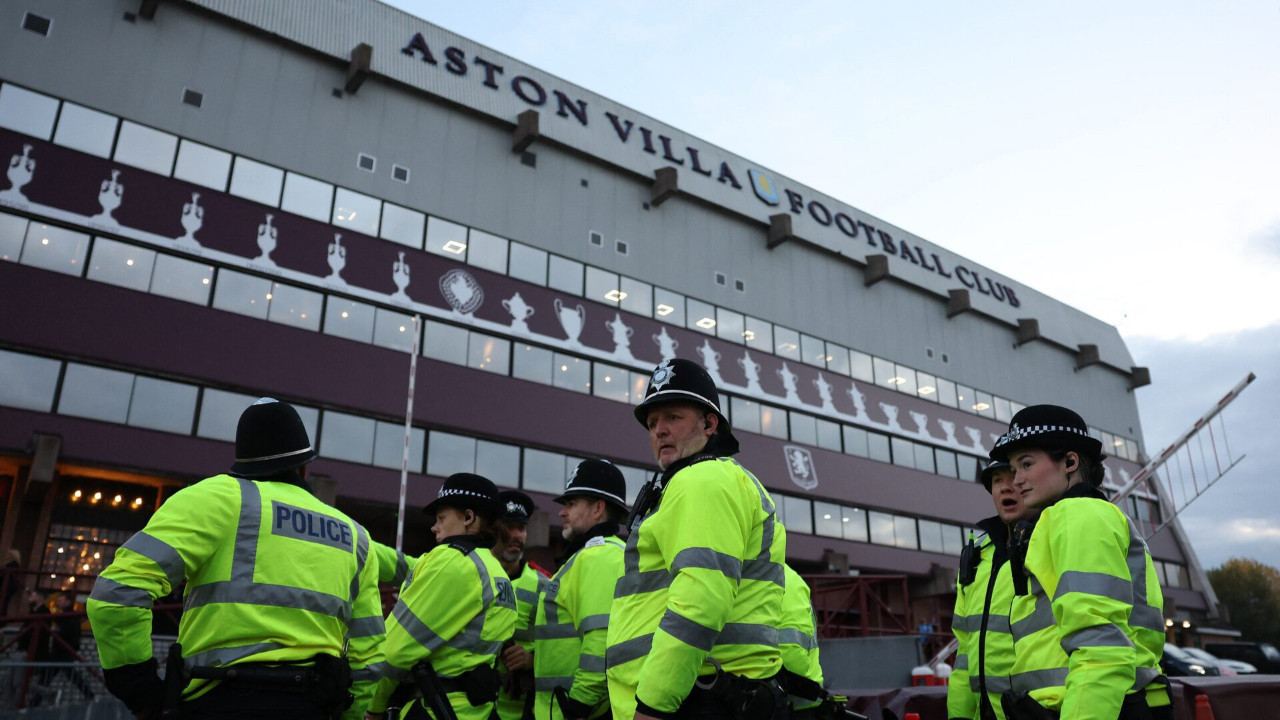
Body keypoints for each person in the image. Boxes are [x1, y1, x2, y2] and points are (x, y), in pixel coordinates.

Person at [86, 397, 386, 720]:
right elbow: (369, 657)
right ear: (304, 466)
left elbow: (116, 595)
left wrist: (144, 695)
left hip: (215, 701)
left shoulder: (215, 499)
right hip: (316, 706)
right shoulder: (356, 537)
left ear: (242, 460)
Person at [606, 358, 786, 720]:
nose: (659, 431)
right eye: (653, 423)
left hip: (691, 700)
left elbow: (700, 601)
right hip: (709, 694)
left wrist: (653, 704)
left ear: (709, 423)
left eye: (672, 417)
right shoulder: (713, 480)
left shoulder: (701, 480)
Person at [991, 405, 1170, 720]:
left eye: (1026, 464)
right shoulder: (1075, 517)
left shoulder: (1077, 516)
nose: (1016, 480)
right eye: (1013, 468)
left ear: (1070, 462)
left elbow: (1101, 648)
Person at [365, 473, 517, 720]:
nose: (434, 527)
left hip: (433, 708)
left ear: (468, 518)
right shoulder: (495, 570)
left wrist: (373, 707)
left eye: (441, 518)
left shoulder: (453, 561)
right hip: (476, 710)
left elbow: (394, 651)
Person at [532, 459, 629, 720]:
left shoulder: (599, 556)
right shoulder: (593, 555)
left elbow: (600, 645)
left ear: (598, 508)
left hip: (577, 711)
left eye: (571, 504)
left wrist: (577, 707)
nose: (563, 512)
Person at [946, 457, 1030, 720]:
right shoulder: (975, 557)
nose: (1005, 487)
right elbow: (965, 654)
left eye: (1012, 476)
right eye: (997, 480)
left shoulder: (1051, 542)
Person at [494, 490, 552, 720]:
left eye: (522, 528)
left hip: (523, 711)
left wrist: (532, 659)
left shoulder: (544, 585)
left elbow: (563, 642)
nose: (517, 535)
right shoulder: (471, 575)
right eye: (509, 527)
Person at [777, 561, 826, 720]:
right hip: (803, 698)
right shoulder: (791, 579)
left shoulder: (747, 574)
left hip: (788, 696)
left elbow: (790, 648)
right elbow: (792, 650)